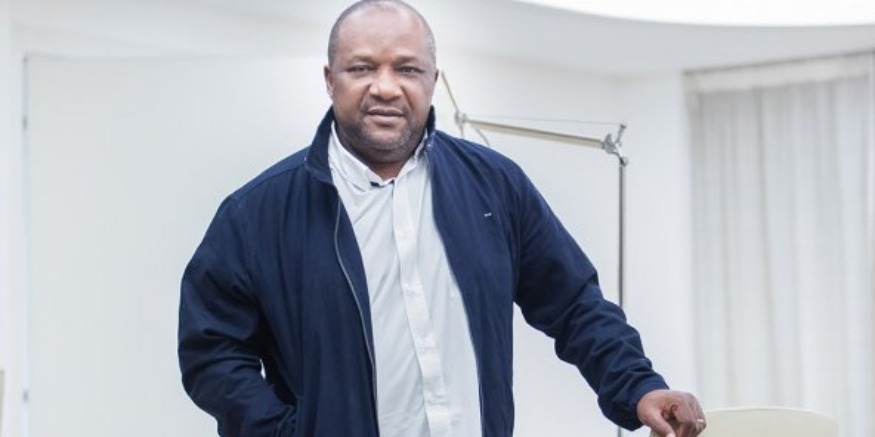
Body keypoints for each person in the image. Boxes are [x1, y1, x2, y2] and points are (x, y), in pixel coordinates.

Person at [177, 1, 706, 436]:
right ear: (329, 80)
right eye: (362, 68)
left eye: (407, 69)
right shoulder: (256, 214)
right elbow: (212, 352)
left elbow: (574, 305)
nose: (386, 87)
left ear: (433, 80)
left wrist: (638, 386)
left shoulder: (494, 185)